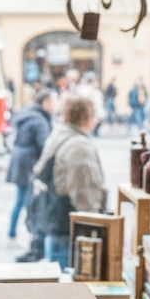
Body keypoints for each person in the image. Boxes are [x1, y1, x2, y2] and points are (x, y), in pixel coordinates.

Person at [32, 94, 107, 269]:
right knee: (67, 282)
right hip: (69, 227)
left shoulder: (59, 135)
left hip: (54, 220)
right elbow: (84, 191)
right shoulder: (79, 146)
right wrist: (95, 225)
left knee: (56, 275)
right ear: (87, 116)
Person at [5, 88, 54, 250]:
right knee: (26, 201)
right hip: (27, 164)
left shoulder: (30, 114)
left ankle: (13, 233)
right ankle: (30, 235)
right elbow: (44, 146)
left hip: (19, 161)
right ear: (45, 103)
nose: (55, 105)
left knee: (21, 199)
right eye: (53, 101)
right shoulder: (40, 120)